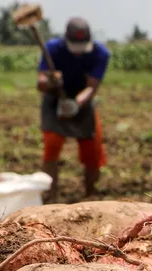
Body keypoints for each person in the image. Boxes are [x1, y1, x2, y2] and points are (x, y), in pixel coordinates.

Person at [37, 17, 111, 201]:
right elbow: (40, 83)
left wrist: (76, 104)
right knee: (52, 146)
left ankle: (90, 195)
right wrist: (50, 81)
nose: (78, 53)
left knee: (92, 150)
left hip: (82, 103)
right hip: (54, 102)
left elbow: (92, 87)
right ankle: (50, 196)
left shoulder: (100, 53)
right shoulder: (52, 49)